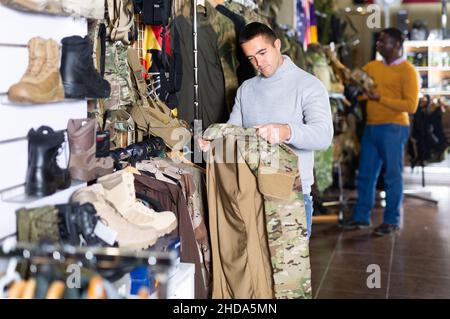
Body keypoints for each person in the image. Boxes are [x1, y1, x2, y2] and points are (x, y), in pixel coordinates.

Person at [199, 22, 333, 238]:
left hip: (291, 196)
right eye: (251, 58)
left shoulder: (309, 85)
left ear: (277, 45)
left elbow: (323, 136)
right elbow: (234, 134)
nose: (259, 62)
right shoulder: (246, 89)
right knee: (255, 271)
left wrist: (287, 131)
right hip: (250, 193)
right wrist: (214, 145)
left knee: (289, 271)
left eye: (262, 52)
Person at [340, 27, 419, 236]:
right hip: (372, 127)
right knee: (365, 175)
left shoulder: (408, 71)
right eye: (379, 41)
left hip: (394, 127)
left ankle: (391, 221)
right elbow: (363, 91)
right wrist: (356, 92)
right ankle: (361, 217)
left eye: (384, 41)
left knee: (392, 177)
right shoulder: (372, 66)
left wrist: (379, 98)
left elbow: (411, 106)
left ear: (397, 45)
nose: (379, 44)